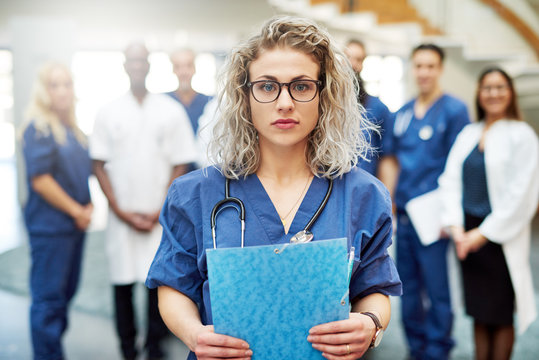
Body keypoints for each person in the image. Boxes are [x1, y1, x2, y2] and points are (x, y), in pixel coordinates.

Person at [146, 16, 402, 360]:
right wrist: (194, 335)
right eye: (267, 86)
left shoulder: (363, 195)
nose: (284, 103)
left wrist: (370, 324)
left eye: (301, 86)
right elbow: (174, 286)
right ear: (245, 96)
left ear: (324, 95)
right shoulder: (194, 193)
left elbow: (375, 288)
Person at [90, 43, 198, 360]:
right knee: (122, 285)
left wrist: (159, 209)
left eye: (142, 60)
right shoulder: (108, 111)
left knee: (157, 284)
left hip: (159, 217)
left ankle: (155, 348)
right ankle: (127, 349)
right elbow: (98, 164)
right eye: (132, 60)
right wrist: (122, 212)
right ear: (124, 65)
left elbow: (181, 161)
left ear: (150, 65)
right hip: (121, 218)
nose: (137, 65)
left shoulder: (169, 110)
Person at [438, 67, 538, 360]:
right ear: (479, 94)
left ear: (511, 93)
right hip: (467, 233)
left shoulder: (522, 135)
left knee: (501, 315)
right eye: (487, 88)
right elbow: (450, 180)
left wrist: (481, 236)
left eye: (500, 87)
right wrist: (457, 228)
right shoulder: (469, 133)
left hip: (498, 237)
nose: (493, 93)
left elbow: (521, 195)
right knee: (480, 313)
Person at [388, 44, 470, 360]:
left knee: (437, 289)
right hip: (406, 216)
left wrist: (452, 215)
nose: (424, 72)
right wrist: (391, 203)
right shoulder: (404, 113)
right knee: (407, 289)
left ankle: (438, 349)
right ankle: (416, 348)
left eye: (431, 66)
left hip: (435, 215)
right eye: (419, 65)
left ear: (441, 69)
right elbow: (393, 161)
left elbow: (460, 164)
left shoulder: (454, 110)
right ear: (412, 68)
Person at [20, 62, 93, 360]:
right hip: (51, 228)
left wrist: (87, 205)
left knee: (64, 295)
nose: (62, 90)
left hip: (73, 227)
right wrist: (77, 210)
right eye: (54, 84)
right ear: (43, 90)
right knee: (49, 300)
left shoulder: (72, 130)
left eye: (67, 84)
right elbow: (41, 181)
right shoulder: (38, 128)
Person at [344, 39, 394, 180]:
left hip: (365, 188)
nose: (352, 64)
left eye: (358, 59)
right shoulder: (322, 104)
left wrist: (387, 196)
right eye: (348, 57)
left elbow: (387, 157)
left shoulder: (378, 108)